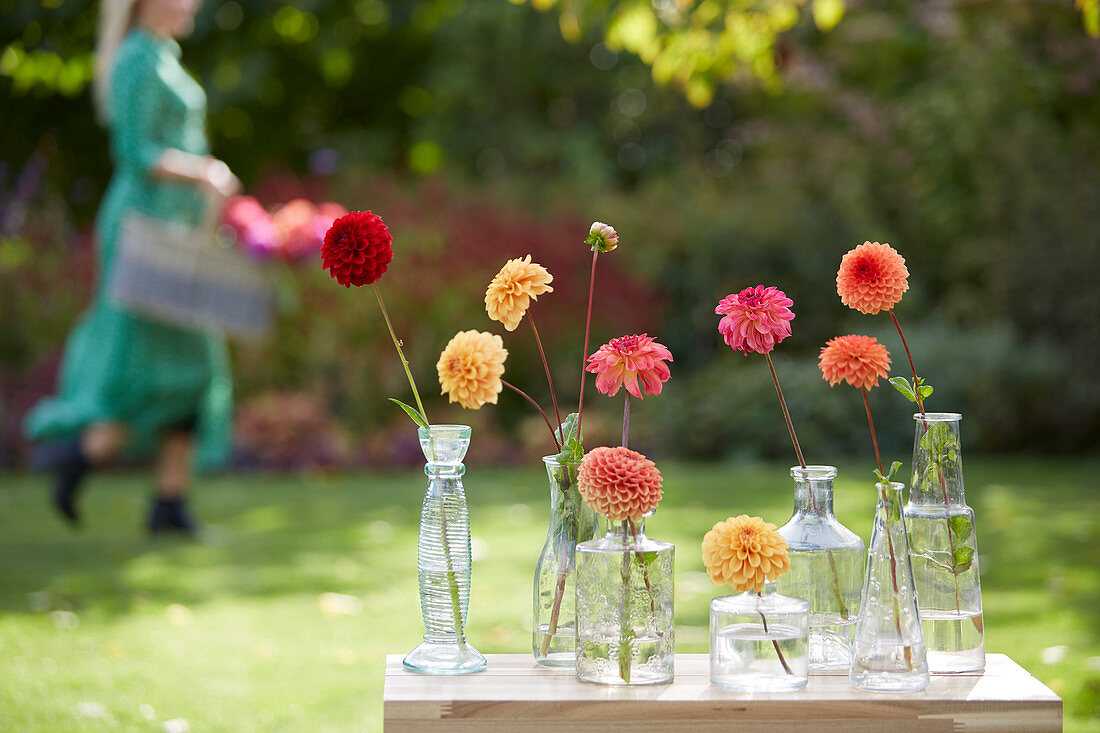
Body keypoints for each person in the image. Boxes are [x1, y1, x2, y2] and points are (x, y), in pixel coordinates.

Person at [25, 0, 238, 536]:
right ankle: (80, 453)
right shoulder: (136, 61)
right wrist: (204, 172)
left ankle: (168, 501)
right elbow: (136, 152)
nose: (191, 3)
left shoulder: (163, 55)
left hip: (177, 231)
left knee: (192, 362)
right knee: (147, 364)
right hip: (145, 232)